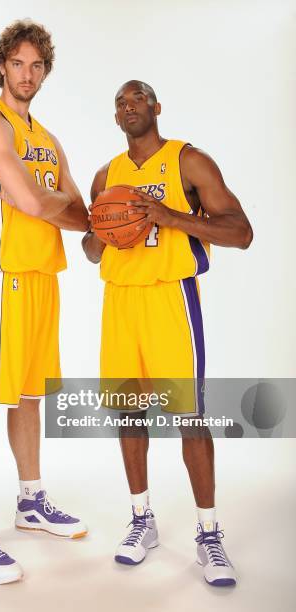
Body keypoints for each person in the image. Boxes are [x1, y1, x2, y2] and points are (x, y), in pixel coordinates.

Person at [82, 80, 253, 586]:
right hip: (120, 302)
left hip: (170, 300)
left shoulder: (188, 162)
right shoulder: (104, 176)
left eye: (137, 97)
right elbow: (92, 251)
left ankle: (209, 535)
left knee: (189, 417)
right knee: (128, 415)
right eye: (119, 101)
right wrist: (109, 231)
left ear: (156, 107)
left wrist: (168, 216)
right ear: (115, 117)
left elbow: (241, 232)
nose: (127, 105)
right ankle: (141, 521)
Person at [0, 19, 89, 584]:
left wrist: (43, 198)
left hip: (42, 281)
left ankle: (30, 500)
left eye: (37, 66)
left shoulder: (47, 140)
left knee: (30, 397)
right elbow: (34, 201)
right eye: (18, 64)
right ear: (2, 65)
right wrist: (42, 198)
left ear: (45, 72)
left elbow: (80, 214)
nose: (27, 74)